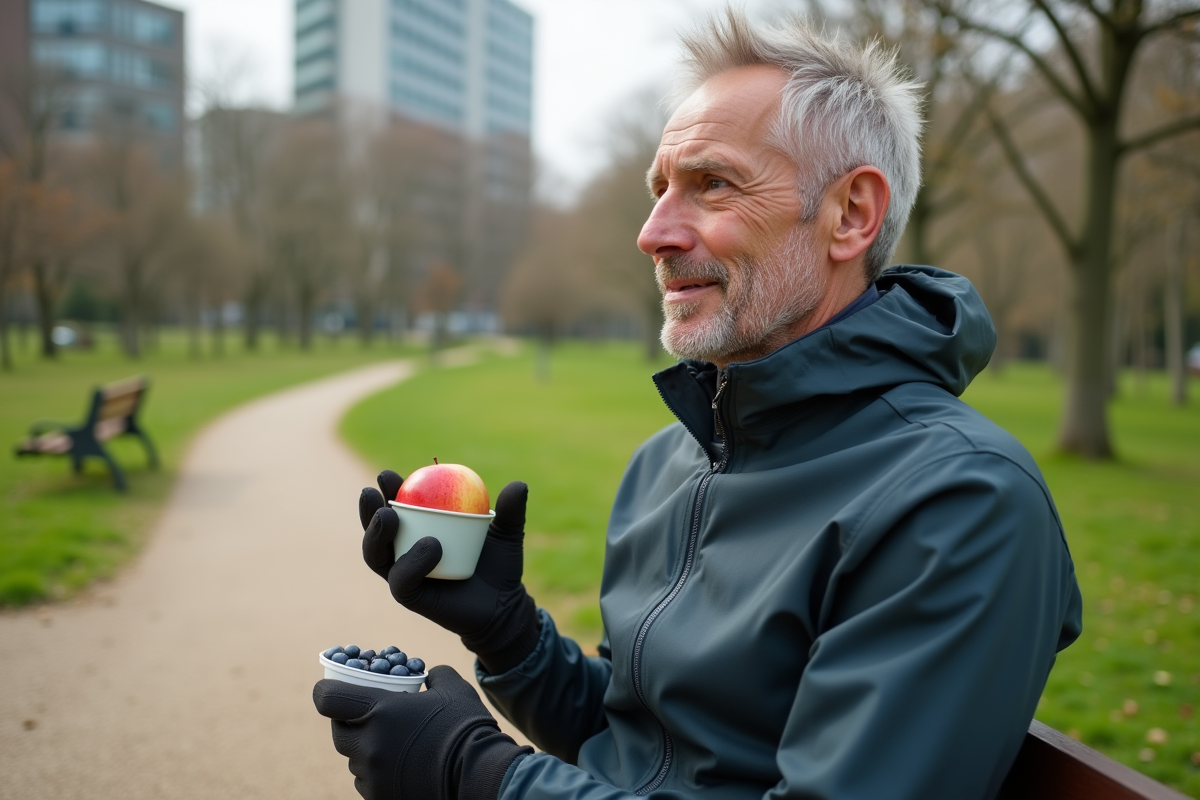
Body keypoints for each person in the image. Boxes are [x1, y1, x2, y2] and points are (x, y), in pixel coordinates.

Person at [312, 9, 1083, 800]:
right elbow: (633, 745)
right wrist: (508, 633)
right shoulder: (669, 461)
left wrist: (476, 776)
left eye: (712, 183)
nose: (652, 232)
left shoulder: (961, 502)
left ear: (850, 214)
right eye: (659, 190)